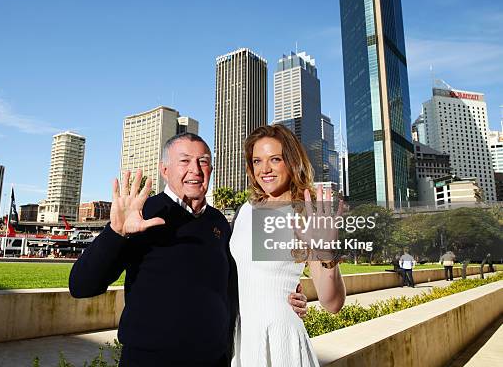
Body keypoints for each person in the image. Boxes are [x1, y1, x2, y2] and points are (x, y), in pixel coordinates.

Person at [69, 133, 308, 367]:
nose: (195, 169)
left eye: (203, 161)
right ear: (165, 170)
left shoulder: (219, 223)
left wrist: (287, 294)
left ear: (211, 170)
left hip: (216, 359)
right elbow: (81, 286)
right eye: (184, 161)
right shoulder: (143, 213)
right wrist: (116, 233)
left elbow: (241, 278)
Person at [231, 124, 346, 367]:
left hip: (281, 337)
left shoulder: (306, 214)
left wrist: (326, 253)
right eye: (257, 161)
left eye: (275, 159)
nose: (265, 169)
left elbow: (332, 302)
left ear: (292, 162)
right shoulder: (245, 211)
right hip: (243, 338)